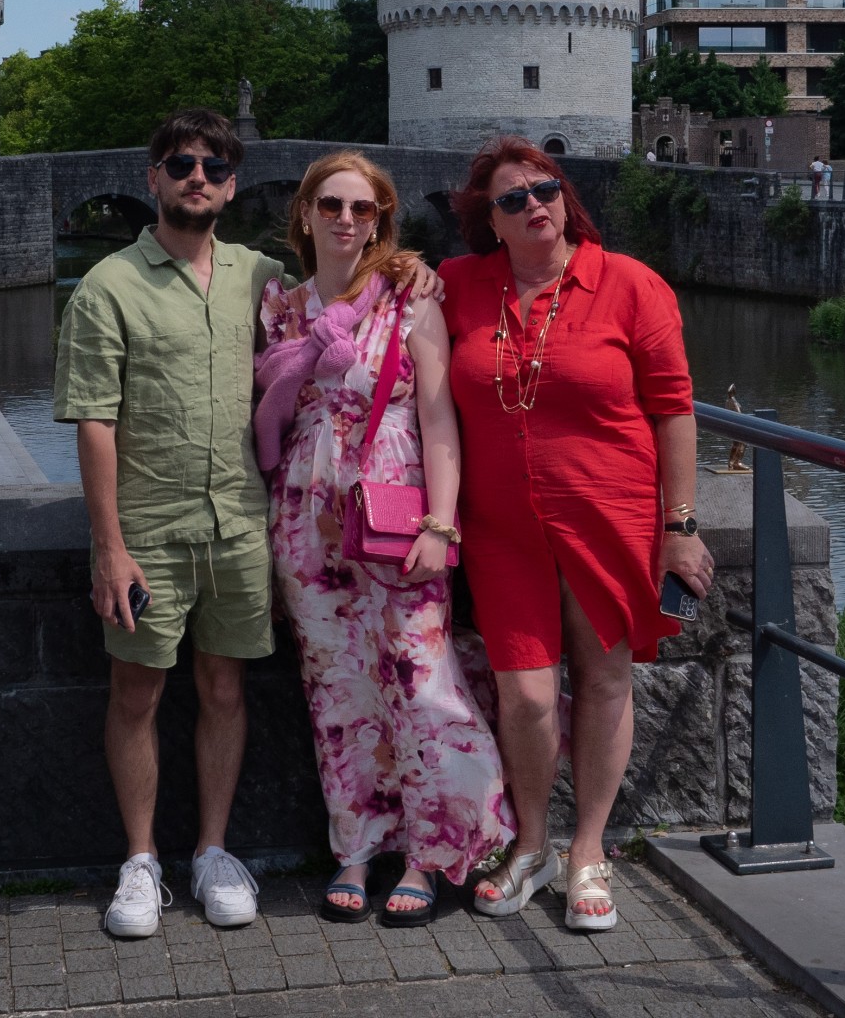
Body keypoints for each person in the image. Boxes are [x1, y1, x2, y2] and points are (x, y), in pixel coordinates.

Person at [439, 137, 713, 933]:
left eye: (546, 189)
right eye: (512, 199)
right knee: (525, 693)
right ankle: (532, 844)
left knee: (604, 679)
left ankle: (588, 848)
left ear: (566, 198)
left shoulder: (628, 283)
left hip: (608, 513)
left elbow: (674, 408)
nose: (534, 205)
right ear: (488, 221)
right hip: (500, 527)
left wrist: (680, 526)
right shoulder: (456, 286)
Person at [253, 152, 511, 927]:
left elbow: (439, 419)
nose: (345, 219)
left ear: (380, 222)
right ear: (305, 214)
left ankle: (433, 852)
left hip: (396, 510)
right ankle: (358, 846)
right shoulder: (281, 308)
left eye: (362, 209)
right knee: (337, 688)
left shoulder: (409, 299)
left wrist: (442, 522)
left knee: (421, 680)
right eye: (330, 205)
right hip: (306, 519)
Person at [55, 109, 278, 940]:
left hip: (240, 525)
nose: (197, 178)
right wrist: (109, 549)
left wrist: (415, 278)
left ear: (232, 186)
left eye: (214, 168)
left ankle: (212, 851)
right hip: (148, 529)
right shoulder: (107, 285)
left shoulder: (261, 276)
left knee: (225, 688)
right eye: (181, 164)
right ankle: (141, 859)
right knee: (136, 693)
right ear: (152, 177)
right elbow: (94, 421)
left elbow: (353, 297)